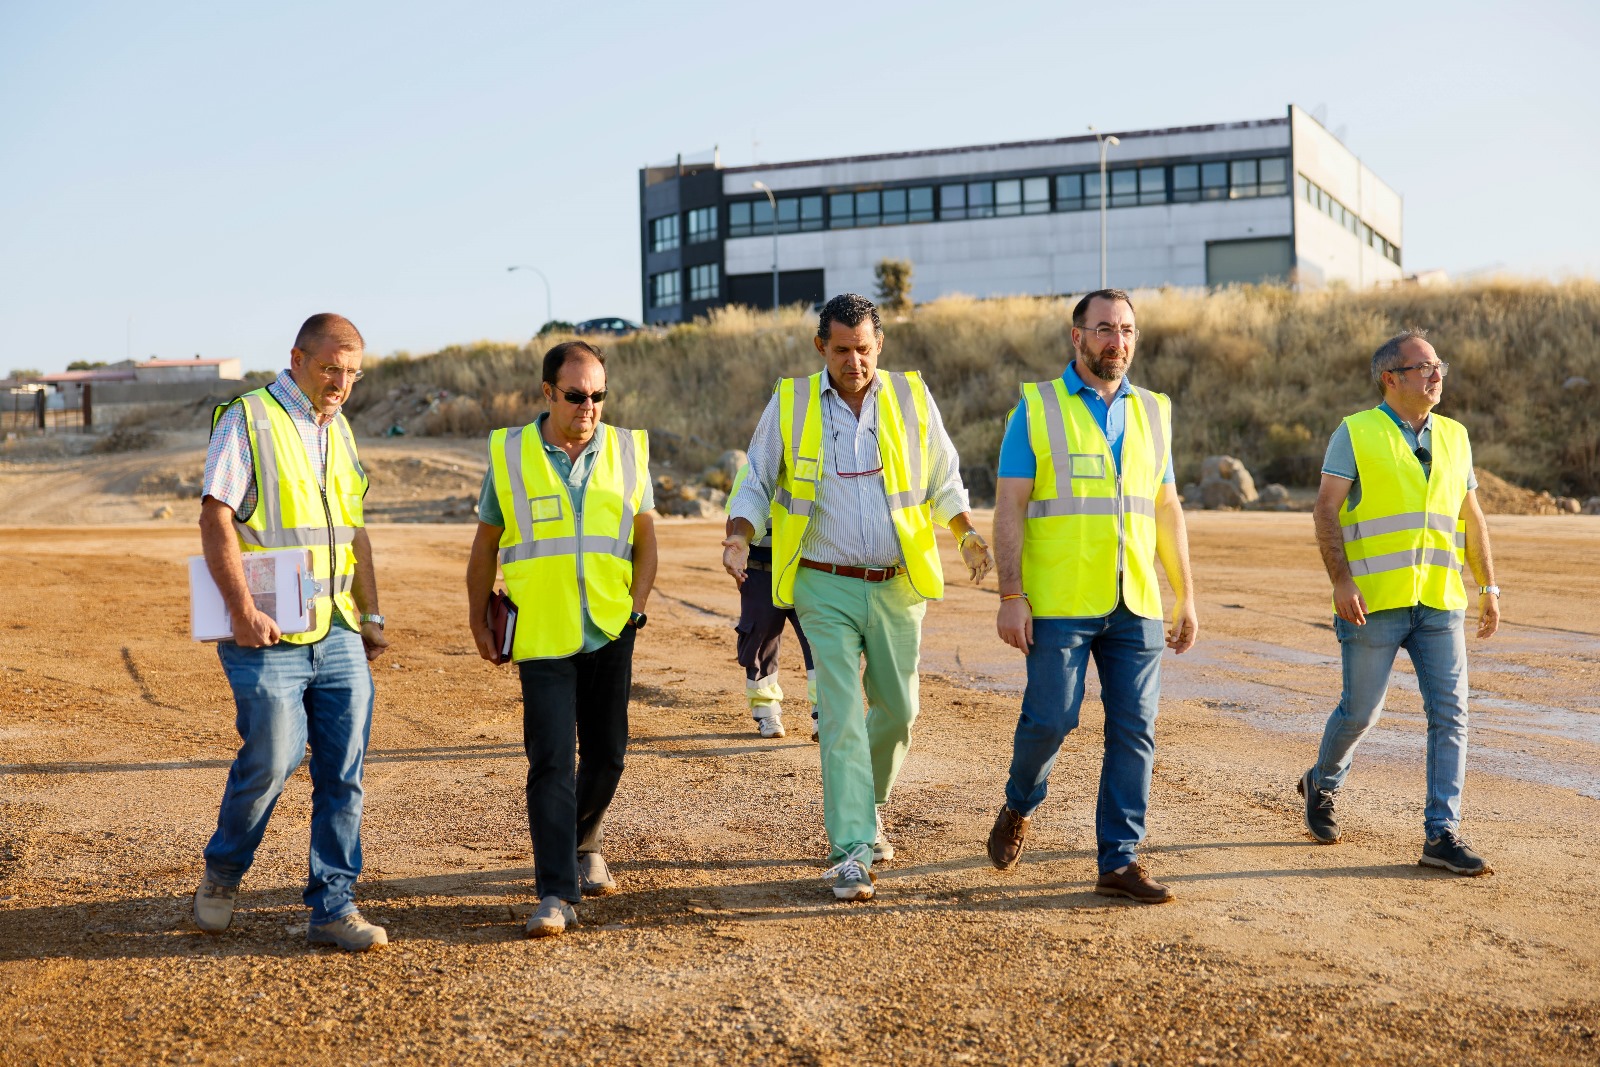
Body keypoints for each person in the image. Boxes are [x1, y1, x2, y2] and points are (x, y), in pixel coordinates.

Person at [724, 293, 993, 902]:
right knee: (841, 716)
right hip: (823, 582)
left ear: (880, 346)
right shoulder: (790, 403)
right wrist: (739, 538)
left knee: (899, 711)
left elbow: (942, 475)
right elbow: (757, 480)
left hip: (897, 583)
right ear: (822, 347)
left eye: (864, 349)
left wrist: (966, 533)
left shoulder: (909, 397)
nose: (855, 361)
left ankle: (866, 808)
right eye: (842, 350)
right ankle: (850, 851)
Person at [986, 288, 1198, 905]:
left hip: (1135, 602)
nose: (1118, 341)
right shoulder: (1037, 407)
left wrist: (1185, 594)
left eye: (1128, 330)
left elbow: (1165, 508)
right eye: (1105, 328)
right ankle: (1019, 804)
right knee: (1051, 719)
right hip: (1059, 603)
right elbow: (1011, 507)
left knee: (1135, 727)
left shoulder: (1154, 411)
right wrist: (1010, 593)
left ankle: (1120, 859)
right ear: (1076, 336)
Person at [193, 313, 391, 952]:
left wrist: (373, 614)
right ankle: (224, 871)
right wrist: (243, 609)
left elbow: (354, 529)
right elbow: (216, 517)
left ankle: (333, 906)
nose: (341, 383)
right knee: (273, 758)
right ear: (298, 357)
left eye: (352, 374)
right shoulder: (247, 418)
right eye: (331, 367)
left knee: (345, 771)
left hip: (336, 629)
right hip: (267, 628)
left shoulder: (343, 431)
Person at [467, 340, 657, 937]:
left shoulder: (627, 451)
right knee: (551, 761)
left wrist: (637, 608)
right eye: (576, 395)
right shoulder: (510, 453)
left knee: (608, 753)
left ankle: (581, 840)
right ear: (548, 392)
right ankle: (556, 891)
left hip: (609, 624)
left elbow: (646, 541)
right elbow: (485, 545)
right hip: (542, 630)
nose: (589, 406)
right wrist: (478, 615)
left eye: (599, 395)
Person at [1301, 329, 1499, 875]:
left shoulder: (1456, 437)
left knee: (1451, 714)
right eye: (1424, 367)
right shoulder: (1356, 433)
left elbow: (1471, 517)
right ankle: (1322, 782)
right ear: (1391, 378)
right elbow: (1325, 510)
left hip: (1439, 601)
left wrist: (1489, 586)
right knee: (1361, 711)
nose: (1436, 375)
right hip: (1374, 602)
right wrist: (1341, 582)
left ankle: (1442, 833)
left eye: (1439, 366)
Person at [726, 460, 818, 740]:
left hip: (807, 572)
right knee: (759, 642)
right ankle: (767, 714)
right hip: (760, 572)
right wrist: (735, 555)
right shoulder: (749, 471)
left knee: (822, 643)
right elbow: (734, 519)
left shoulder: (815, 469)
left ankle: (824, 716)